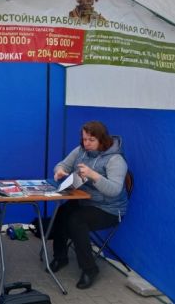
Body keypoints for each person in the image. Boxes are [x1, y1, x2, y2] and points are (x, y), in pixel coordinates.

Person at [49, 121, 128, 290]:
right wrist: (60, 171)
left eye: (91, 140)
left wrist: (93, 175)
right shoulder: (81, 151)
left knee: (77, 221)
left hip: (110, 209)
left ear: (102, 139)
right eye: (84, 139)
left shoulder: (115, 159)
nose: (86, 143)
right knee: (61, 212)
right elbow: (62, 164)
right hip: (86, 201)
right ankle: (60, 256)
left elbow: (114, 190)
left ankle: (90, 269)